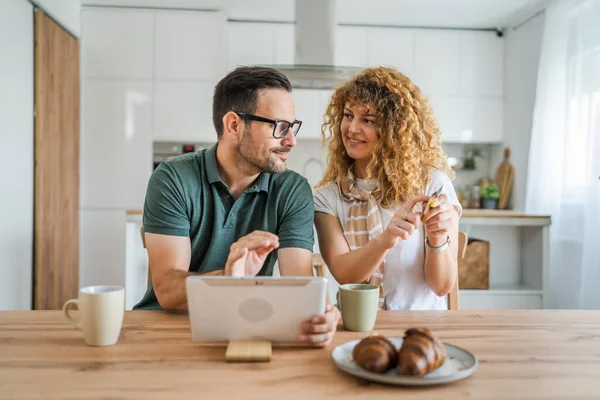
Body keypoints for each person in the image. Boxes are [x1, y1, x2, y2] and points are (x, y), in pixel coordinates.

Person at [134, 66, 340, 347]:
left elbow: (300, 286)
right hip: (168, 330)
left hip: (248, 329)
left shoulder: (292, 190)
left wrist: (320, 316)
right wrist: (229, 278)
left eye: (292, 127)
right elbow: (168, 291)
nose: (291, 140)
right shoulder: (173, 178)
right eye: (279, 127)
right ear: (233, 125)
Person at [313, 67, 461, 311]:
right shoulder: (328, 197)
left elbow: (442, 286)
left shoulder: (432, 184)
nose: (352, 129)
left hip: (420, 329)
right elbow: (345, 275)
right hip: (358, 327)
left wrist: (436, 239)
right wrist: (386, 239)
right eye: (348, 115)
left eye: (368, 120)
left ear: (396, 130)